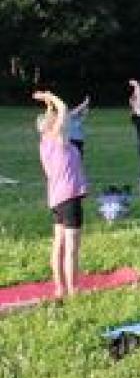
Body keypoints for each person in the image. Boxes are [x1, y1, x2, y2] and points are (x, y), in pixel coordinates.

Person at [33, 91, 89, 298]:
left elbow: (58, 114)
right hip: (69, 199)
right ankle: (73, 290)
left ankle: (60, 288)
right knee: (71, 248)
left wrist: (48, 104)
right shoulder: (59, 140)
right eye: (53, 119)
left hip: (57, 200)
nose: (58, 119)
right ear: (51, 126)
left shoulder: (45, 142)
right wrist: (49, 95)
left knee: (59, 245)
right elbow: (63, 109)